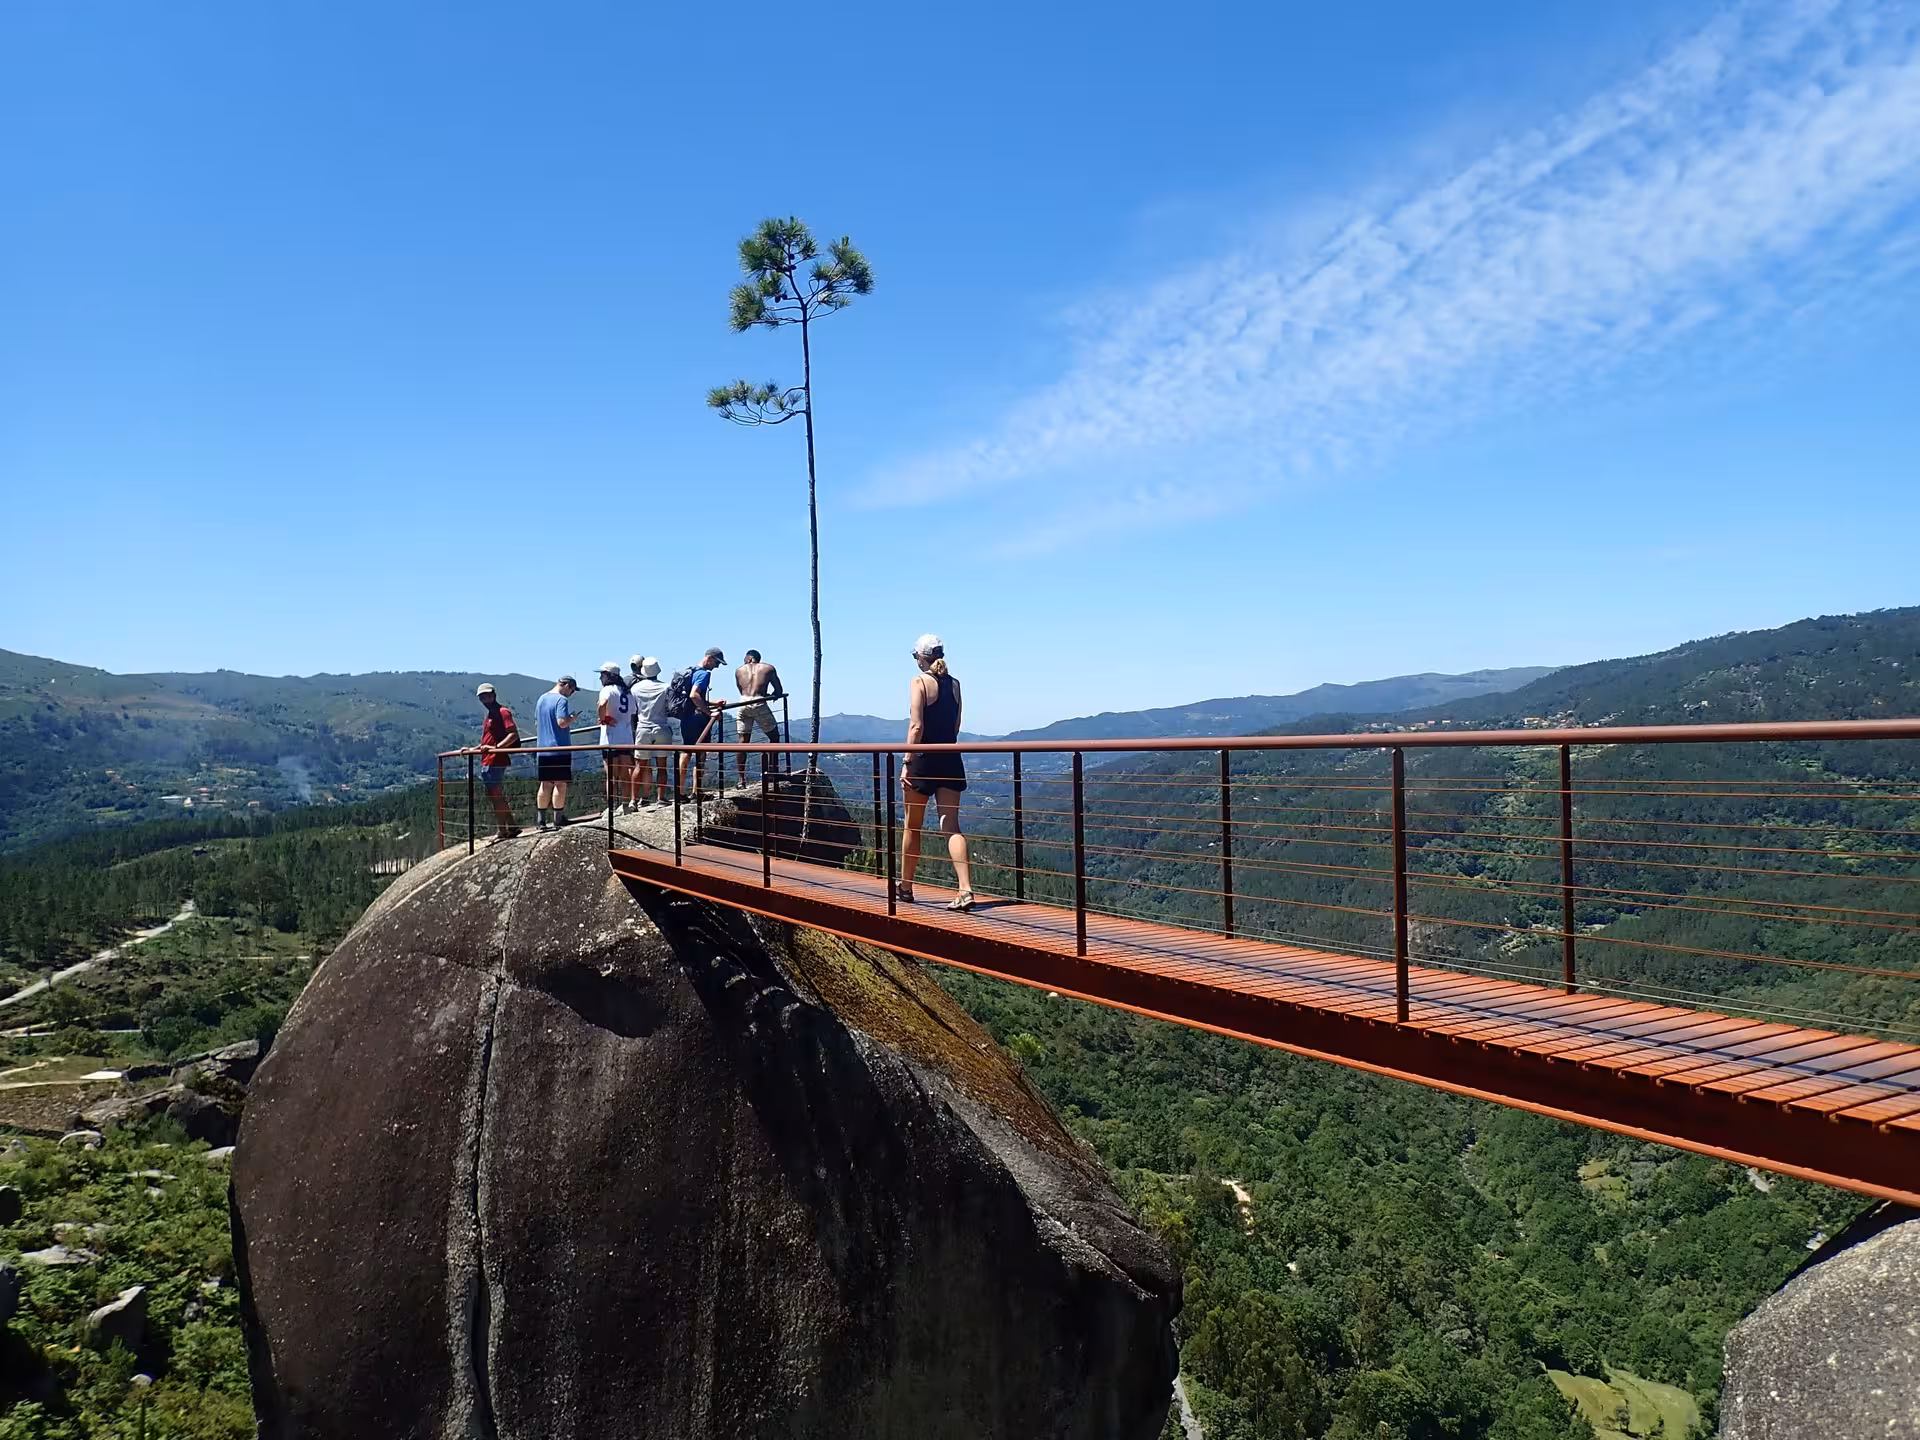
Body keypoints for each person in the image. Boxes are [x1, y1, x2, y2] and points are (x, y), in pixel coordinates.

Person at [896, 634, 974, 911]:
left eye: (915, 655)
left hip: (923, 760)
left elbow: (916, 727)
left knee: (912, 826)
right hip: (950, 758)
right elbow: (955, 725)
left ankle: (905, 887)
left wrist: (907, 760)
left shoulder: (919, 682)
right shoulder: (955, 685)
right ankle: (965, 889)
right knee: (951, 826)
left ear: (921, 657)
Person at [475, 684, 522, 842]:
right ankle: (512, 826)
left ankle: (502, 831)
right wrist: (476, 748)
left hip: (496, 760)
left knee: (496, 797)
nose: (484, 699)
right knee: (496, 796)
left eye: (487, 696)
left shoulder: (502, 712)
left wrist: (496, 748)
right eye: (481, 697)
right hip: (489, 759)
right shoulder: (490, 714)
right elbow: (489, 738)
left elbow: (513, 735)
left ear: (494, 695)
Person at [732, 649, 786, 785]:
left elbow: (741, 689)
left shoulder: (739, 670)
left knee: (743, 742)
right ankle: (772, 773)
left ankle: (741, 780)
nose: (744, 661)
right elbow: (779, 690)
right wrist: (769, 695)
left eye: (745, 658)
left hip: (743, 703)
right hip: (759, 703)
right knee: (774, 737)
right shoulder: (768, 668)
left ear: (750, 658)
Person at [676, 648, 726, 793]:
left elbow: (694, 699)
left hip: (686, 717)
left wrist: (715, 703)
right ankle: (696, 791)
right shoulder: (703, 674)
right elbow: (694, 695)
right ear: (709, 658)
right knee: (700, 754)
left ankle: (679, 791)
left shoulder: (691, 671)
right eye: (717, 662)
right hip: (698, 719)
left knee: (686, 752)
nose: (717, 666)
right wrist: (710, 713)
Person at [534, 674, 578, 830]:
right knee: (560, 784)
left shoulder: (541, 699)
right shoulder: (561, 700)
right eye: (572, 690)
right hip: (559, 748)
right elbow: (562, 722)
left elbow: (537, 722)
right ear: (566, 686)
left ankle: (541, 820)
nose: (571, 694)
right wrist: (572, 718)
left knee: (545, 784)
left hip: (542, 748)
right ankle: (558, 819)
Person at [629, 656, 673, 805]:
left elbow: (633, 710)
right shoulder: (665, 687)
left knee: (640, 766)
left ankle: (634, 800)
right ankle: (661, 798)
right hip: (661, 726)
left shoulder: (635, 688)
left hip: (643, 728)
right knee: (662, 765)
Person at [596, 661, 637, 812]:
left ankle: (611, 808)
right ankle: (625, 805)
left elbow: (602, 704)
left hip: (610, 738)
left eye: (602, 675)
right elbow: (632, 711)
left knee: (611, 775)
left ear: (608, 676)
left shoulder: (607, 690)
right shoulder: (626, 692)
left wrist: (604, 718)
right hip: (626, 737)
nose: (601, 678)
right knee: (625, 773)